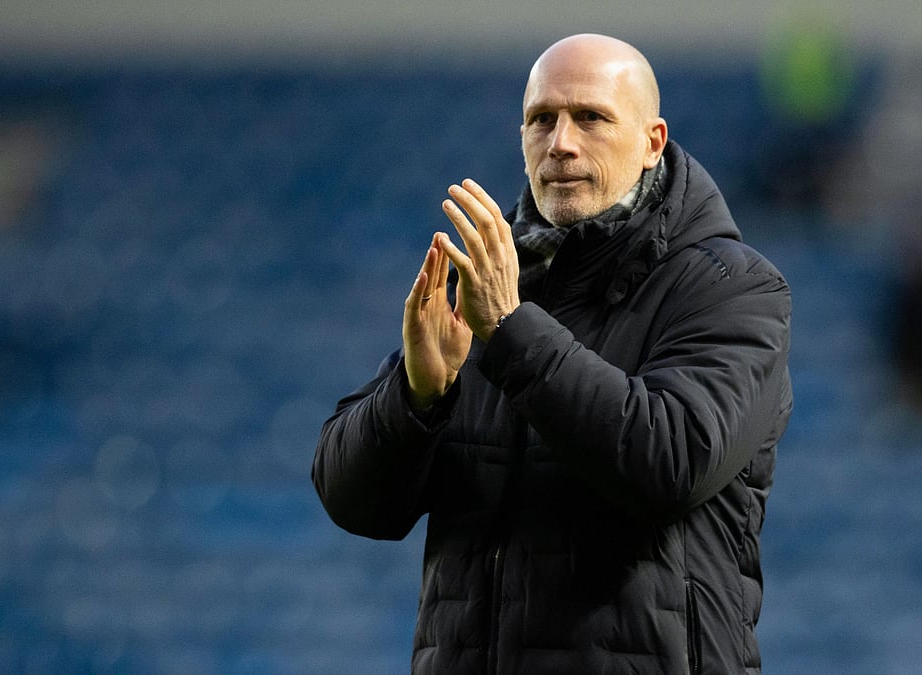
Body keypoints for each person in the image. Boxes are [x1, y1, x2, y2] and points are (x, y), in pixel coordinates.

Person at [313, 33, 792, 674]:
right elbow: (353, 503)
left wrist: (512, 331)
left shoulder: (730, 287)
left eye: (590, 117)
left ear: (652, 142)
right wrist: (417, 398)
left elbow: (671, 463)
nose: (561, 142)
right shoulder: (490, 283)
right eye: (542, 119)